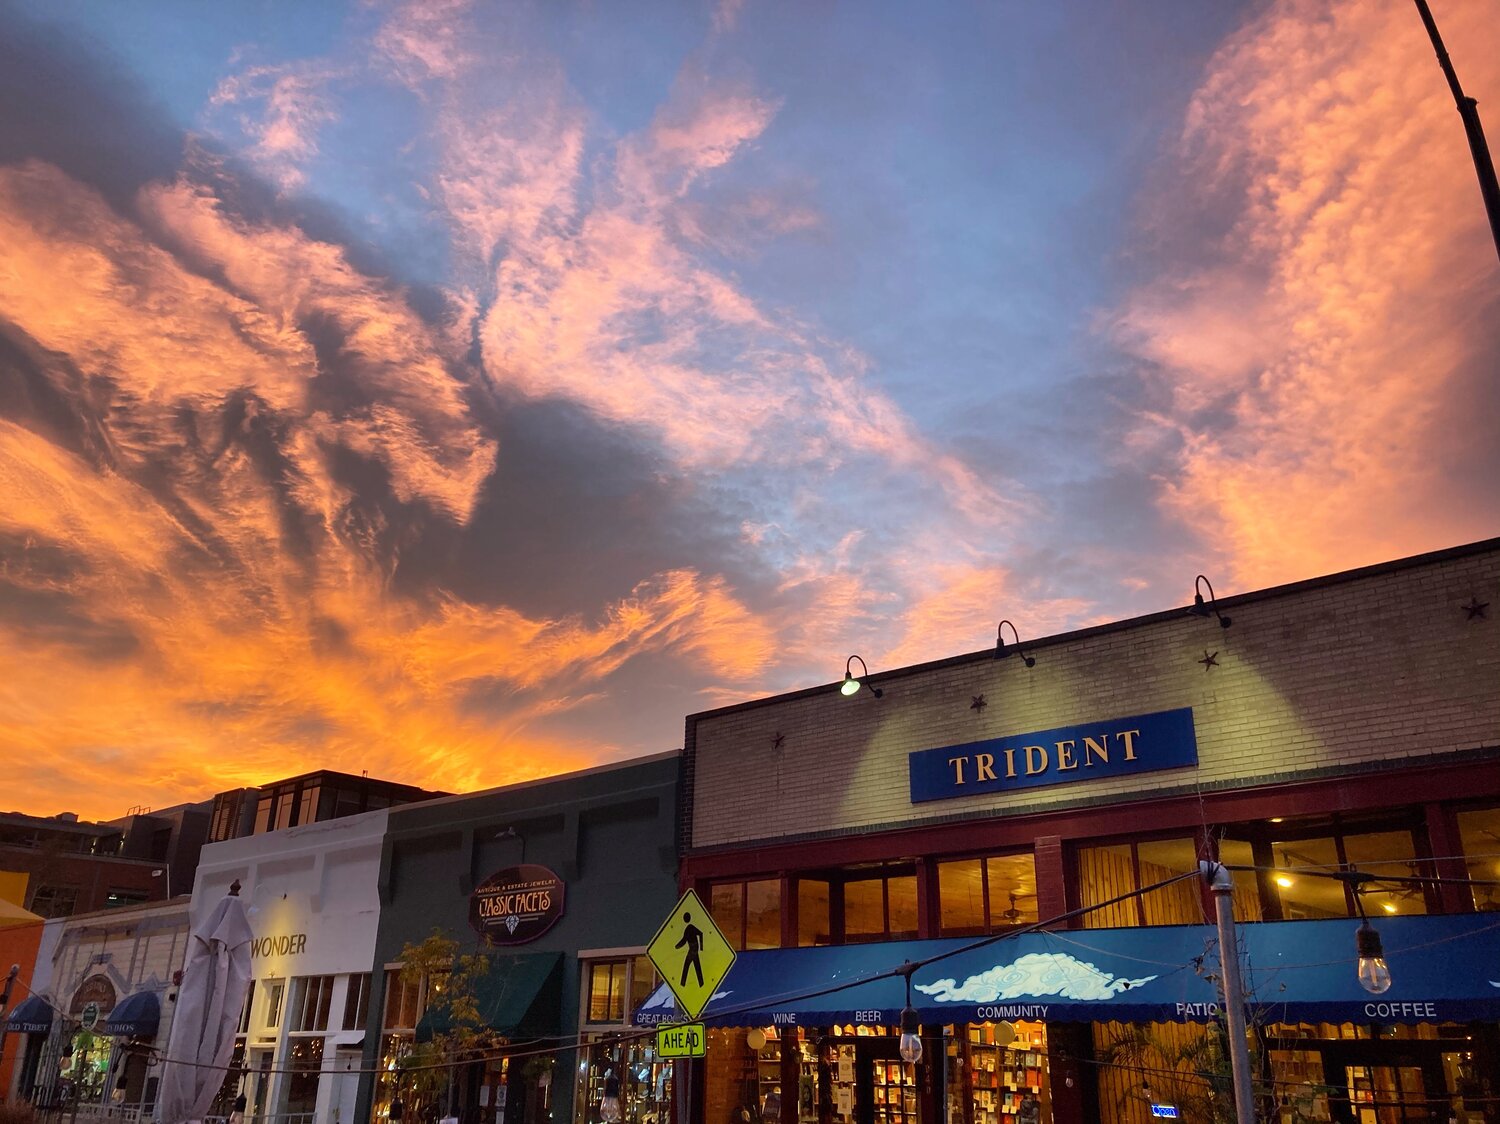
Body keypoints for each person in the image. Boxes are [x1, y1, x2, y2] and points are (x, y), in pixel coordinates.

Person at [676, 913, 705, 988]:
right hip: (693, 949)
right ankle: (701, 984)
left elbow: (701, 933)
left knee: (686, 965)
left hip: (693, 949)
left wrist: (701, 947)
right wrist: (677, 946)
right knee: (697, 966)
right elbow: (684, 940)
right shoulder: (688, 929)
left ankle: (682, 984)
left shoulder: (690, 928)